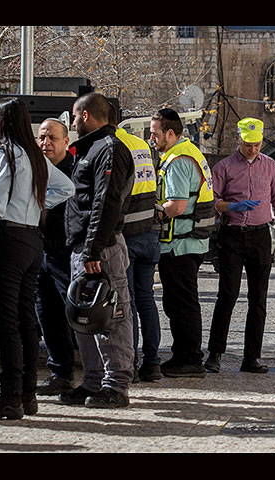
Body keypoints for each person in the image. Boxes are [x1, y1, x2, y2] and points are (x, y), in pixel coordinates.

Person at [0, 98, 74, 420]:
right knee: (26, 319)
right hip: (32, 240)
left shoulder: (8, 154)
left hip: (9, 241)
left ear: (5, 121)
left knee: (6, 322)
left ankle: (10, 396)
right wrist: (38, 204)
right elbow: (66, 187)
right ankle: (27, 394)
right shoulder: (33, 155)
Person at [204, 118, 275, 374]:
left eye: (257, 145)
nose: (253, 149)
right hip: (232, 235)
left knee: (258, 299)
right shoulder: (224, 168)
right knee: (228, 295)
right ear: (239, 140)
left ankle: (252, 357)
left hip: (260, 236)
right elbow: (212, 200)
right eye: (248, 145)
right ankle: (215, 354)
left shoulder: (270, 167)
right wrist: (230, 207)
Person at [60, 92, 135, 408]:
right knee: (85, 317)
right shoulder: (90, 149)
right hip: (85, 248)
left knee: (111, 317)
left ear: (87, 115)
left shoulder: (110, 150)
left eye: (75, 117)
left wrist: (92, 251)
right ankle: (92, 382)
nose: (73, 122)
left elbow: (106, 204)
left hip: (100, 249)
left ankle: (115, 386)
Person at [150, 108, 215, 378]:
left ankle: (189, 359)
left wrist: (154, 213)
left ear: (170, 133)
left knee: (181, 304)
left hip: (180, 244)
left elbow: (176, 206)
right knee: (182, 302)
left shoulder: (178, 159)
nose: (151, 139)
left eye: (154, 134)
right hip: (188, 242)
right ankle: (185, 356)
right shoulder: (189, 152)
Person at [109, 109, 162, 383]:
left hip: (127, 234)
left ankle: (129, 363)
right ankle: (152, 363)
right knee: (146, 300)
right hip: (150, 232)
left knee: (127, 304)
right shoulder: (140, 143)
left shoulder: (112, 145)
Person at [34, 118, 77, 396]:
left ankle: (99, 373)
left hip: (65, 251)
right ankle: (59, 372)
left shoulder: (74, 173)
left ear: (65, 142)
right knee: (47, 315)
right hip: (40, 251)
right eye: (41, 138)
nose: (45, 143)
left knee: (76, 314)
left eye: (52, 138)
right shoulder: (34, 171)